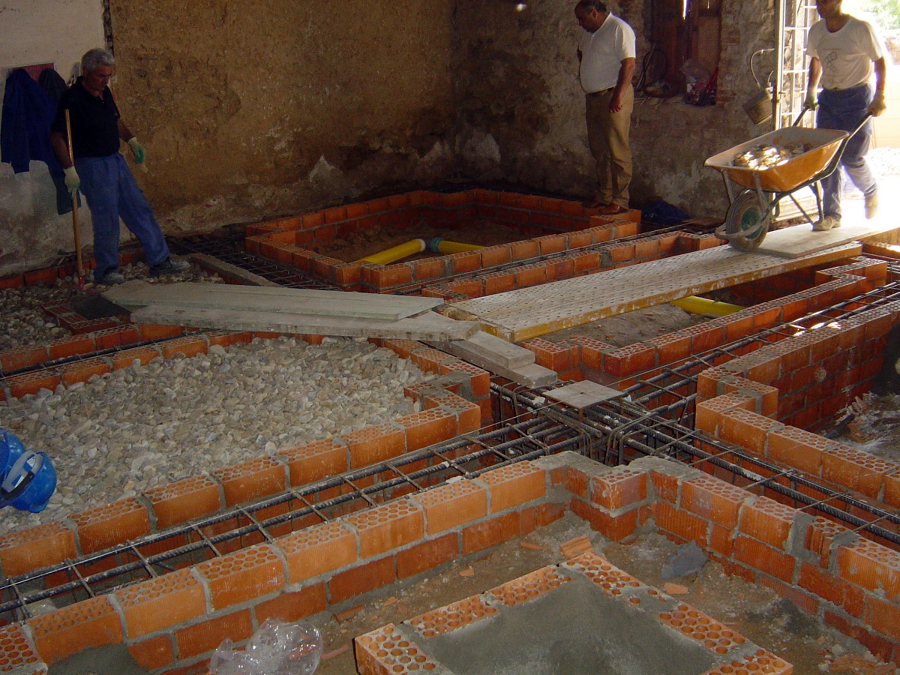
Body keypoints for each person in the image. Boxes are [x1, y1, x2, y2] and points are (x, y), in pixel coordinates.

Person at [49, 48, 188, 284]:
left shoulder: (105, 94)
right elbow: (57, 136)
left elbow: (115, 121)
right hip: (91, 165)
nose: (105, 81)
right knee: (107, 218)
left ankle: (160, 261)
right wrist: (68, 169)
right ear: (86, 72)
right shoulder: (72, 99)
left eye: (109, 75)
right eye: (101, 76)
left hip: (115, 160)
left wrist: (131, 140)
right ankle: (106, 270)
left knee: (139, 208)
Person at [805, 0, 887, 231]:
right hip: (829, 98)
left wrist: (879, 96)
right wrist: (812, 91)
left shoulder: (859, 29)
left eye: (826, 0)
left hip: (857, 98)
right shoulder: (817, 31)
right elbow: (816, 60)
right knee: (828, 159)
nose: (820, 5)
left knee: (852, 157)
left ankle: (870, 190)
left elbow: (879, 62)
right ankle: (832, 214)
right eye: (817, 1)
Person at [575, 0, 636, 215]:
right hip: (594, 97)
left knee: (617, 150)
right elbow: (582, 54)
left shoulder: (618, 29)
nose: (580, 23)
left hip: (613, 96)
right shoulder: (590, 32)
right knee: (599, 150)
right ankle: (604, 195)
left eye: (582, 18)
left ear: (594, 13)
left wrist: (618, 96)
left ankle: (620, 199)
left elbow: (629, 64)